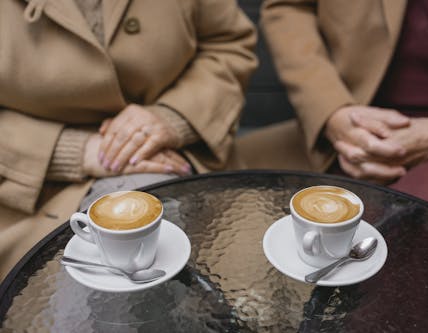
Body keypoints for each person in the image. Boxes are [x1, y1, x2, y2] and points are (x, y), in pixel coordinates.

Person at [0, 0, 257, 281]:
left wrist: (176, 115)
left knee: (233, 282)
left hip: (173, 153)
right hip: (28, 191)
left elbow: (228, 43)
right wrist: (70, 150)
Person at [233, 0, 428, 236]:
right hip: (352, 119)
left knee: (408, 224)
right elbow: (288, 7)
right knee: (223, 180)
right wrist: (331, 111)